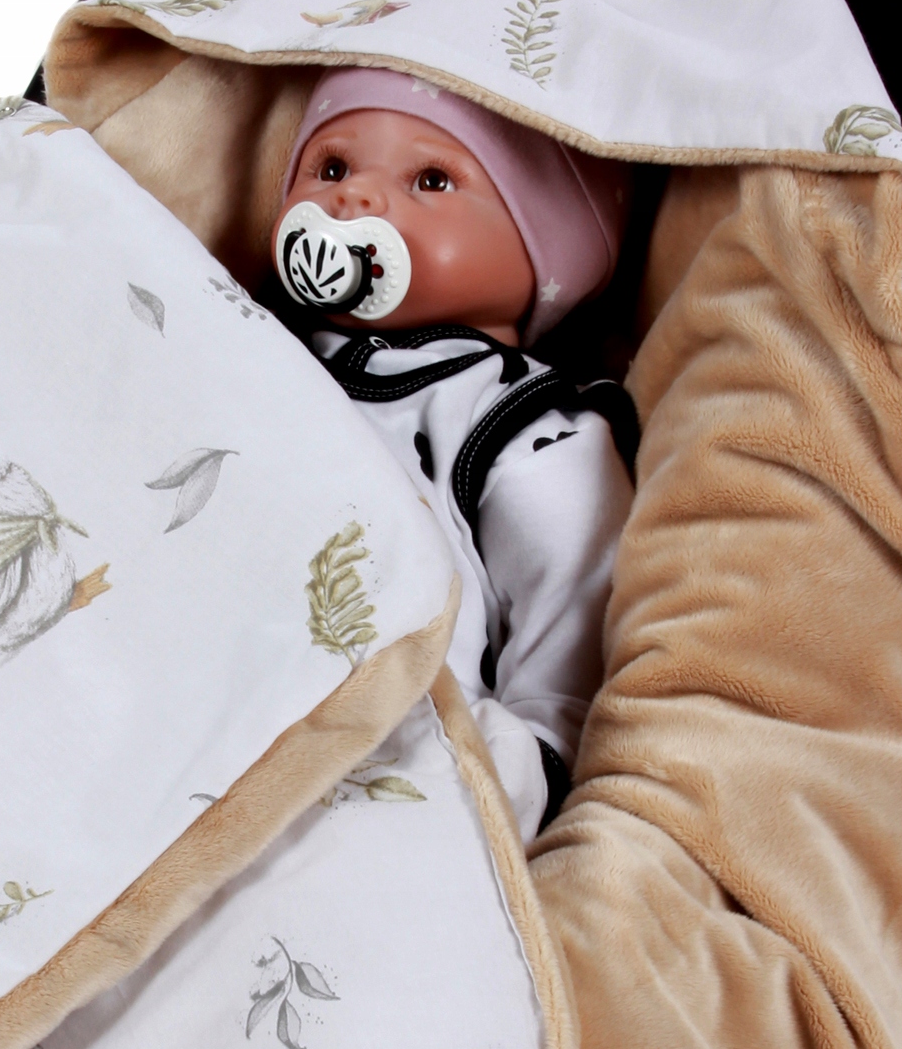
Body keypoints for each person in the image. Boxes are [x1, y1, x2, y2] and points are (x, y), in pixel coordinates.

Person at [271, 67, 636, 843]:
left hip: (384, 749)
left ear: (545, 254)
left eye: (431, 180)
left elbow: (569, 631)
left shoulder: (521, 420)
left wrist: (515, 773)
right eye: (330, 167)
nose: (354, 197)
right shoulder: (250, 337)